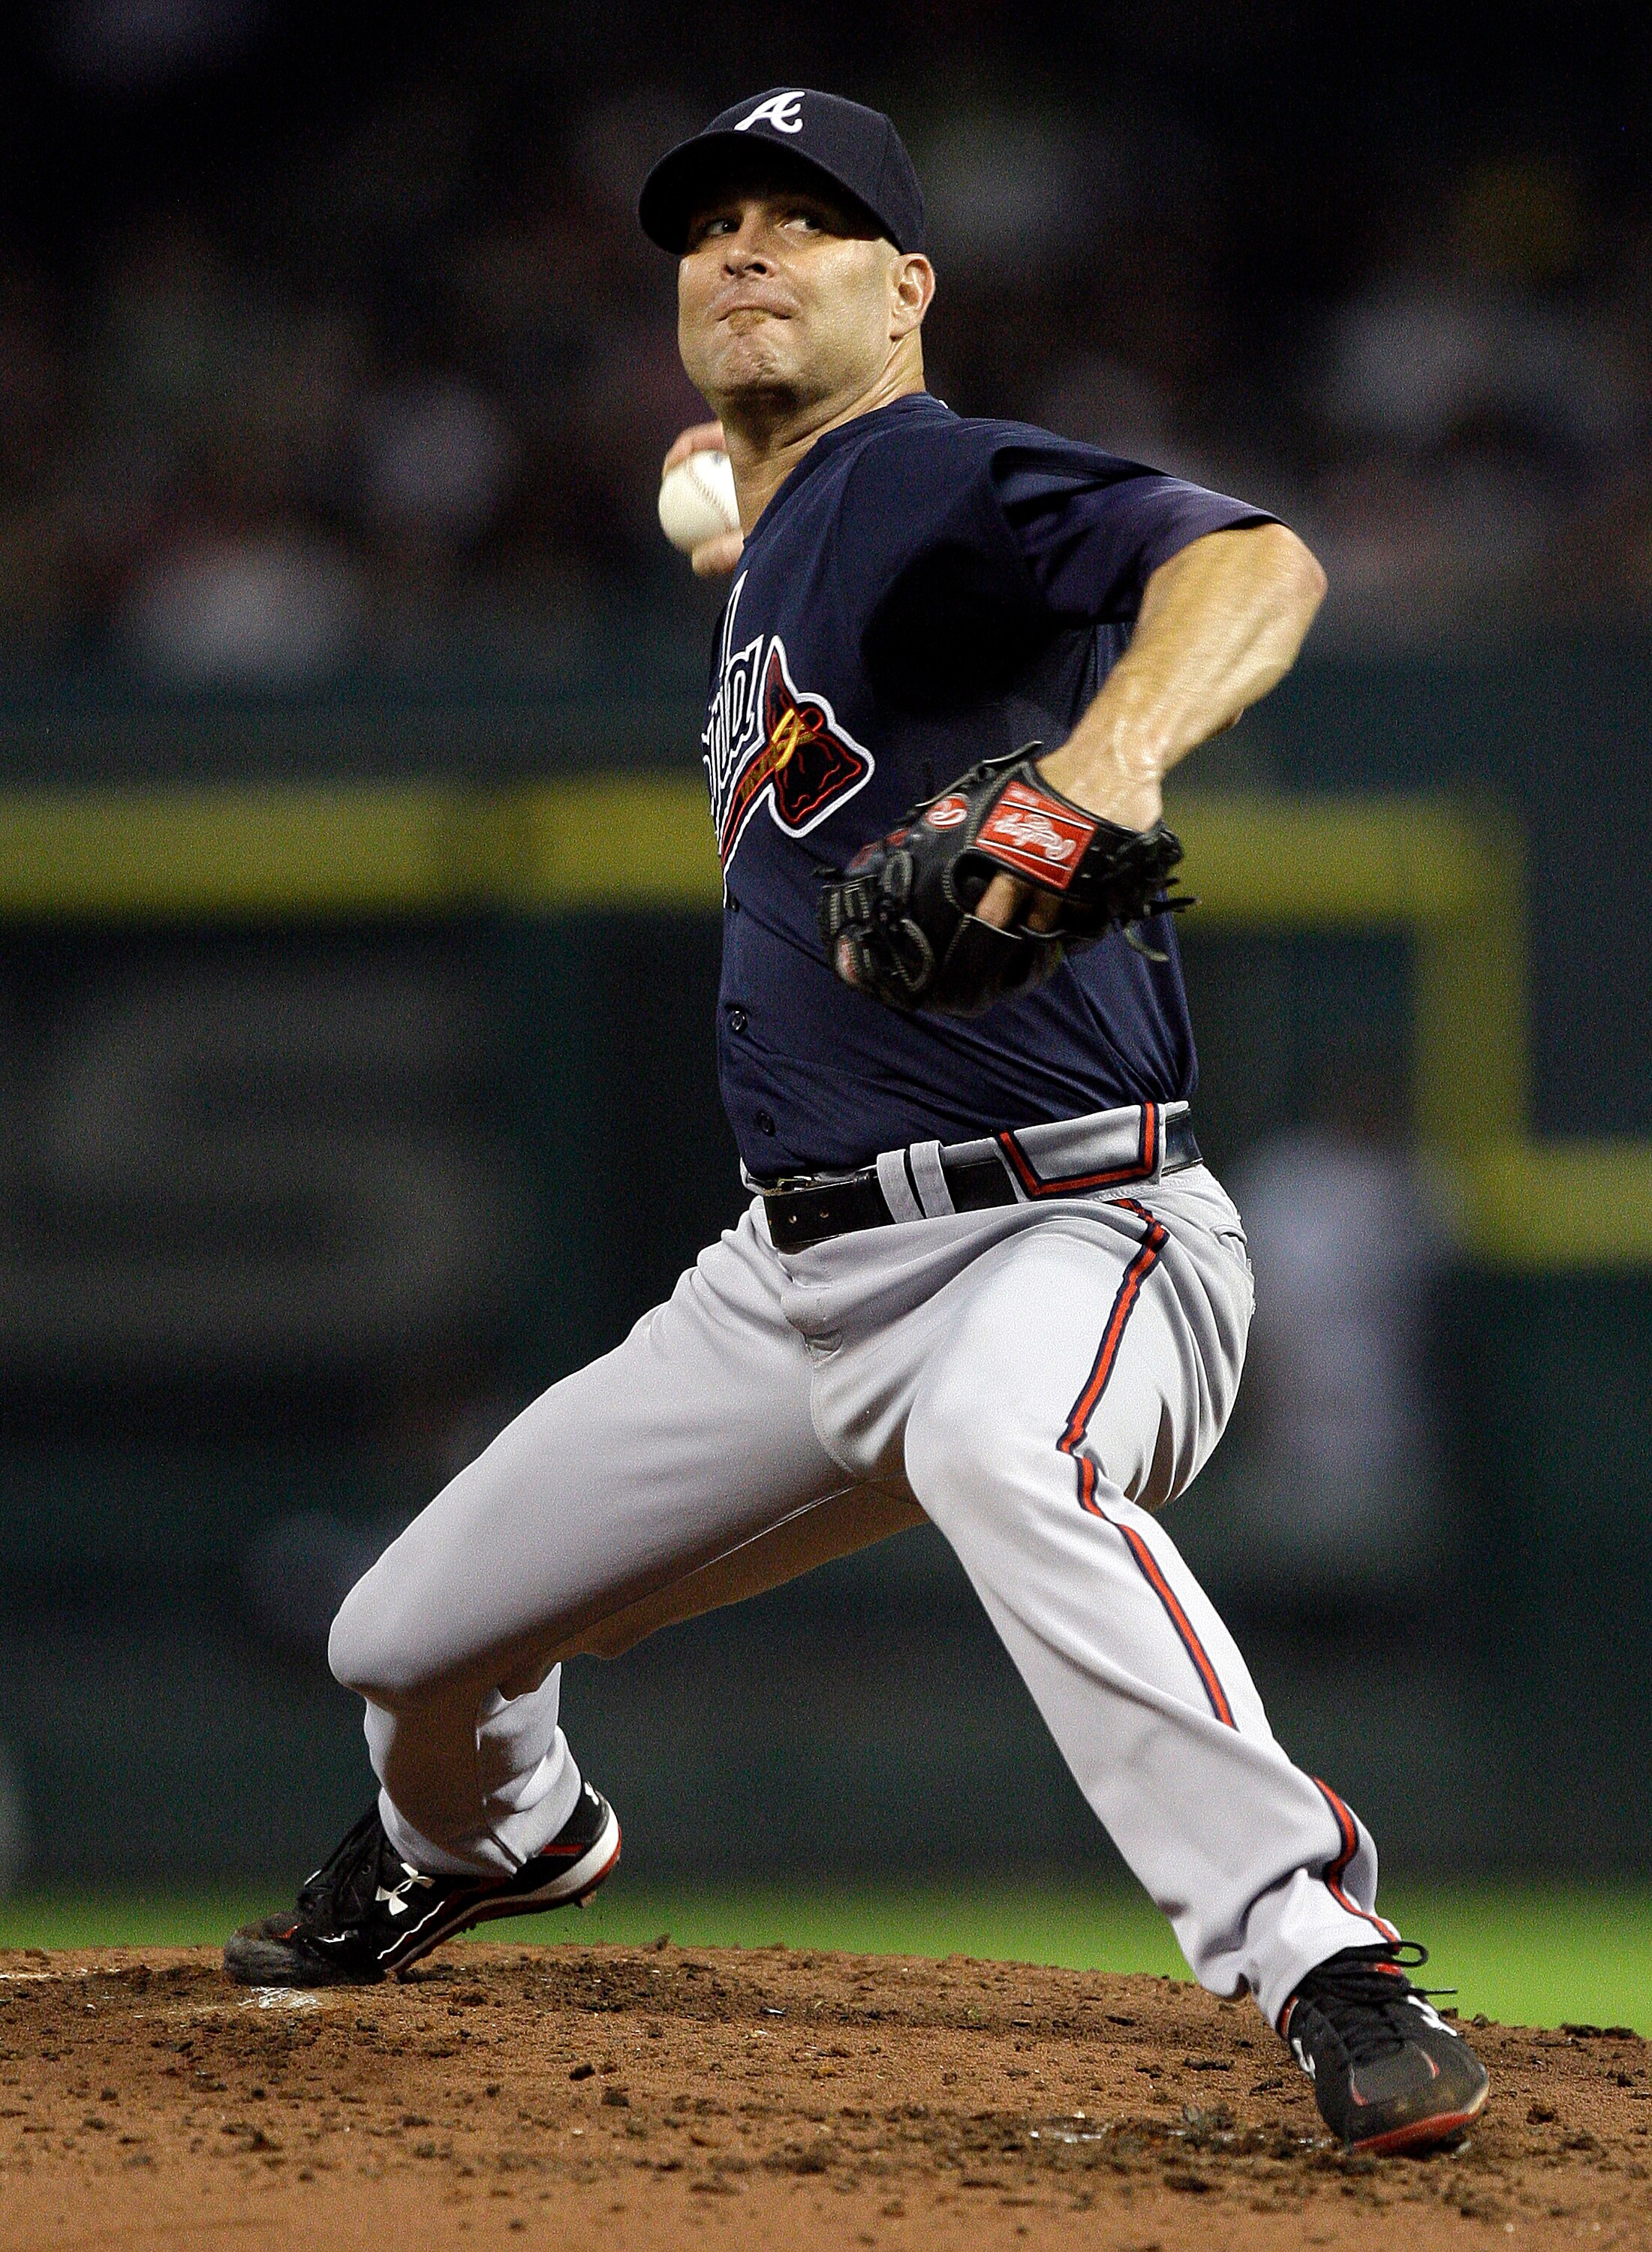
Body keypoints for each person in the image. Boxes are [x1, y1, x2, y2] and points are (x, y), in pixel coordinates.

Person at [226, 89, 1487, 2157]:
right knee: (404, 1642)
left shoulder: (930, 468)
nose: (739, 248)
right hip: (783, 1283)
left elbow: (1253, 561)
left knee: (1007, 1445)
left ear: (904, 290)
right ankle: (503, 1837)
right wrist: (731, 491)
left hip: (1072, 1233)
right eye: (709, 223)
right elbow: (769, 517)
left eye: (800, 225)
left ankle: (1313, 1951)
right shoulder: (793, 520)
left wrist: (1100, 768)